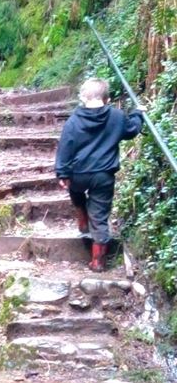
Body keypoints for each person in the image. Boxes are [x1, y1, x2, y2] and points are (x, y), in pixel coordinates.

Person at [55, 77, 144, 272]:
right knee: (100, 215)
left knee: (75, 192)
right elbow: (132, 130)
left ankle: (82, 217)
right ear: (107, 99)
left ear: (82, 98)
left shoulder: (73, 121)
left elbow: (65, 148)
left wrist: (62, 173)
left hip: (78, 173)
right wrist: (138, 115)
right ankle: (98, 261)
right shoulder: (117, 116)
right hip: (103, 174)